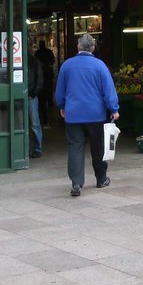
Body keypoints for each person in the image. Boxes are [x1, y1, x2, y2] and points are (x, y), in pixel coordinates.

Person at [55, 33, 120, 197]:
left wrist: (62, 105)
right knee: (97, 148)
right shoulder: (100, 66)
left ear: (78, 47)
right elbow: (108, 90)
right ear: (93, 48)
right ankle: (101, 179)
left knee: (75, 148)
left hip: (73, 115)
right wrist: (114, 109)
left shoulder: (67, 66)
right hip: (96, 115)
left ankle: (76, 183)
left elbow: (59, 90)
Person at [28, 48, 45, 158]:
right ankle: (33, 148)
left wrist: (33, 94)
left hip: (30, 97)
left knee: (34, 124)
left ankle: (37, 148)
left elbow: (39, 81)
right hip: (28, 95)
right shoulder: (34, 61)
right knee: (33, 124)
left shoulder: (34, 62)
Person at [35, 38, 56, 126]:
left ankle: (44, 103)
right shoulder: (49, 52)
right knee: (49, 88)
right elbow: (53, 60)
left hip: (42, 75)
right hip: (48, 74)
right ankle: (50, 101)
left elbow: (35, 62)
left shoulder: (38, 53)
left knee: (43, 94)